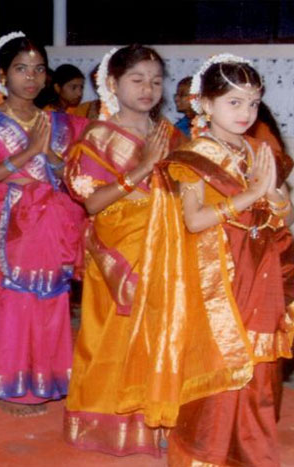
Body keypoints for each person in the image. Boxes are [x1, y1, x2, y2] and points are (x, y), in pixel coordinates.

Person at [135, 55, 294, 466]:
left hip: (261, 269)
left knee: (259, 370)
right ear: (206, 104)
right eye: (234, 102)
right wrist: (251, 195)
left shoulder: (260, 150)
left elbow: (288, 215)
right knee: (219, 364)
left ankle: (251, 454)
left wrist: (273, 194)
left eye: (253, 102)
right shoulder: (194, 155)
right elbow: (194, 220)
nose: (246, 112)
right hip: (217, 276)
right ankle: (206, 455)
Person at [0, 31, 89, 417]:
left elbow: (76, 176)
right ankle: (7, 386)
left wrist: (52, 161)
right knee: (10, 305)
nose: (31, 77)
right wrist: (27, 154)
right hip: (7, 227)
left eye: (38, 69)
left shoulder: (64, 124)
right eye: (21, 68)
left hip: (51, 226)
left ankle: (48, 380)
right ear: (1, 75)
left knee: (50, 302)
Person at [62, 45, 186, 456]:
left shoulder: (170, 134)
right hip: (117, 248)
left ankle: (158, 416)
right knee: (114, 335)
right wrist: (143, 168)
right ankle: (111, 420)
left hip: (165, 243)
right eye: (137, 80)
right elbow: (93, 203)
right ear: (113, 84)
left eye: (156, 80)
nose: (148, 88)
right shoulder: (97, 137)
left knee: (162, 331)